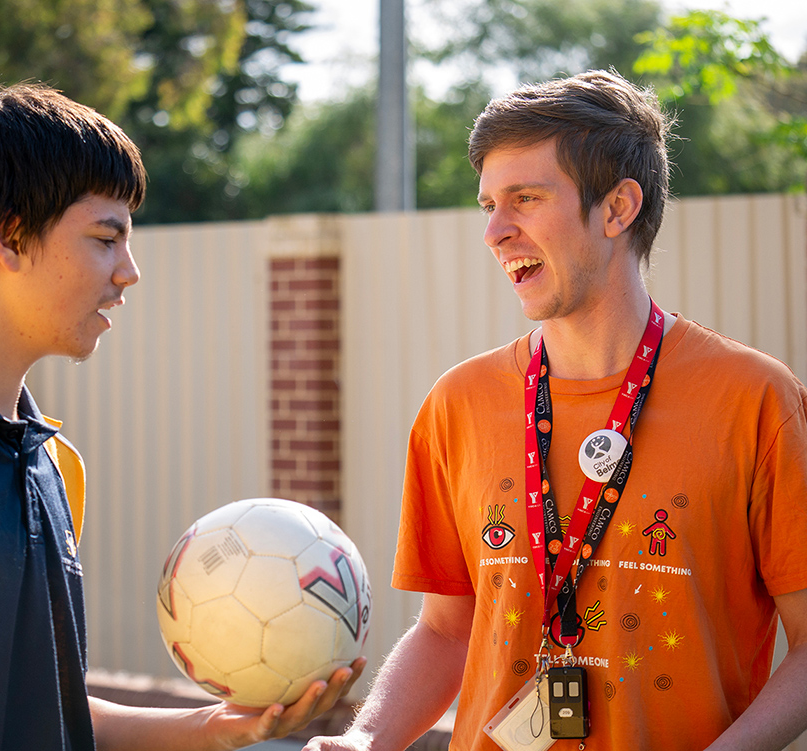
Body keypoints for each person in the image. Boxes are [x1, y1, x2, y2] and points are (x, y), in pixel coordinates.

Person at [0, 82, 362, 751]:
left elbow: (47, 708)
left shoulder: (50, 461)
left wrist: (211, 728)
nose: (129, 272)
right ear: (7, 236)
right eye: (106, 238)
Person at [305, 69, 807, 751]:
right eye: (488, 203)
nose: (494, 230)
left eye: (525, 198)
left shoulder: (754, 400)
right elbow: (448, 629)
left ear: (617, 208)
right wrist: (366, 737)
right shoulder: (457, 405)